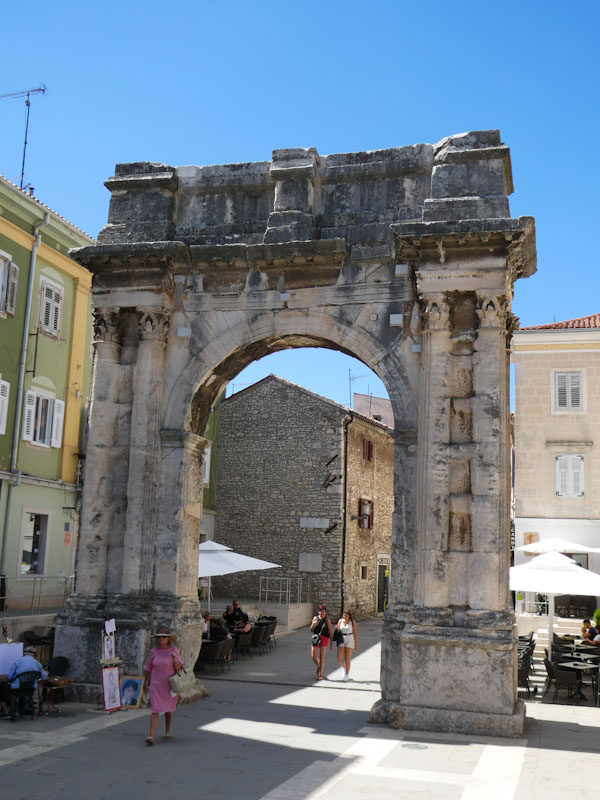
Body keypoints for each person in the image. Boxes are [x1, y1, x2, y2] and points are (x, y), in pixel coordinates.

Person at [143, 626, 183, 745]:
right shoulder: (153, 651)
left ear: (168, 638)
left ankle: (167, 730)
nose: (161, 639)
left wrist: (174, 660)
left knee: (168, 709)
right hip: (156, 684)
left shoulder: (174, 650)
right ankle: (151, 736)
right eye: (159, 637)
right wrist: (144, 682)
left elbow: (179, 668)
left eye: (163, 637)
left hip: (169, 685)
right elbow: (148, 668)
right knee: (155, 710)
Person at [0, 646, 48, 717]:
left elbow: (10, 676)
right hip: (30, 690)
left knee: (2, 689)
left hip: (17, 689)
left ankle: (7, 712)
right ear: (34, 654)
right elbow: (44, 676)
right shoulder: (37, 664)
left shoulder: (17, 661)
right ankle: (18, 711)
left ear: (24, 653)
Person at [335, 609, 359, 682]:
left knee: (347, 658)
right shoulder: (340, 621)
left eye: (346, 614)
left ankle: (346, 674)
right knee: (339, 658)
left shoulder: (352, 622)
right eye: (344, 614)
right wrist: (337, 628)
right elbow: (338, 631)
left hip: (350, 639)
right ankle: (344, 667)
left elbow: (355, 634)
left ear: (349, 615)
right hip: (341, 639)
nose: (345, 616)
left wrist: (356, 645)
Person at [310, 604, 332, 680]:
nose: (322, 612)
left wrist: (331, 643)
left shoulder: (327, 620)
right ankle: (319, 665)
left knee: (321, 656)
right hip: (316, 638)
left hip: (324, 638)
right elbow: (311, 630)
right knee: (313, 656)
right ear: (318, 611)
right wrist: (313, 624)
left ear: (325, 612)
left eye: (323, 611)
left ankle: (320, 674)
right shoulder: (315, 618)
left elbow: (330, 631)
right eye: (320, 611)